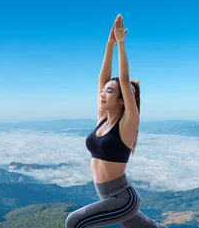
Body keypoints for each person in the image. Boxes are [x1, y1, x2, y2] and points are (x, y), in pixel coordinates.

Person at [64, 14, 167, 228]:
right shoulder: (103, 119)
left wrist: (121, 44)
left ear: (122, 100)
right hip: (109, 197)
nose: (102, 93)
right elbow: (102, 79)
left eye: (109, 92)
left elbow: (124, 79)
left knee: (73, 222)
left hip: (123, 199)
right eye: (102, 91)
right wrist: (109, 44)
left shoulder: (128, 124)